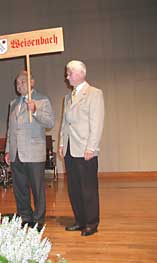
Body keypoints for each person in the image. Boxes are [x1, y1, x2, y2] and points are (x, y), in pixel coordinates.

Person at [59, 60, 104, 236]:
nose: (67, 76)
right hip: (70, 149)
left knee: (88, 188)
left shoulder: (94, 94)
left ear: (81, 73)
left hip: (85, 148)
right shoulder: (67, 97)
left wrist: (91, 147)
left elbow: (97, 123)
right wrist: (62, 143)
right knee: (74, 187)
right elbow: (64, 123)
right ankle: (79, 220)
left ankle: (92, 223)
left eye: (69, 73)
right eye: (67, 73)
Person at [4, 70, 55, 231]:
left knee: (37, 188)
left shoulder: (42, 100)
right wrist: (7, 150)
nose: (19, 85)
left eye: (23, 82)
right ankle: (25, 216)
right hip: (16, 152)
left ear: (32, 82)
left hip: (33, 152)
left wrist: (35, 111)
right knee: (19, 188)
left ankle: (39, 219)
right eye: (17, 83)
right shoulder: (13, 103)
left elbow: (50, 123)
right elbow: (10, 129)